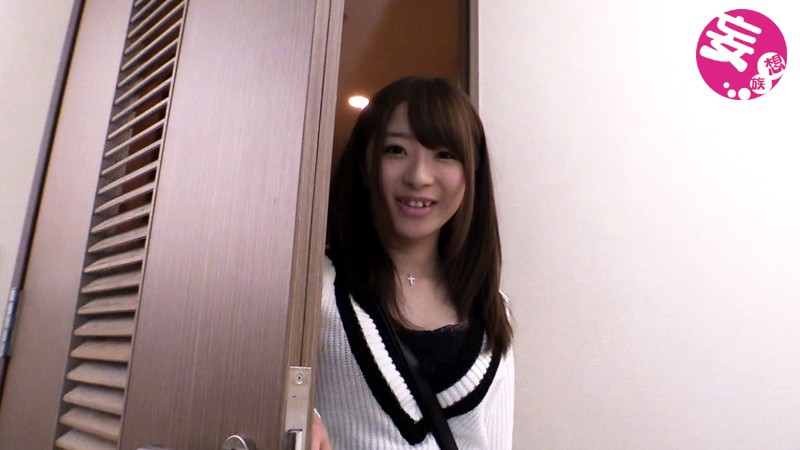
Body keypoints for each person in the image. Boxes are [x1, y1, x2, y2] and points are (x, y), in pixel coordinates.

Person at [312, 76, 514, 449]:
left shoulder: (490, 306)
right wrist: (295, 413)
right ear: (364, 164)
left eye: (445, 154)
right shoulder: (315, 288)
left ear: (472, 173)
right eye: (395, 150)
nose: (419, 176)